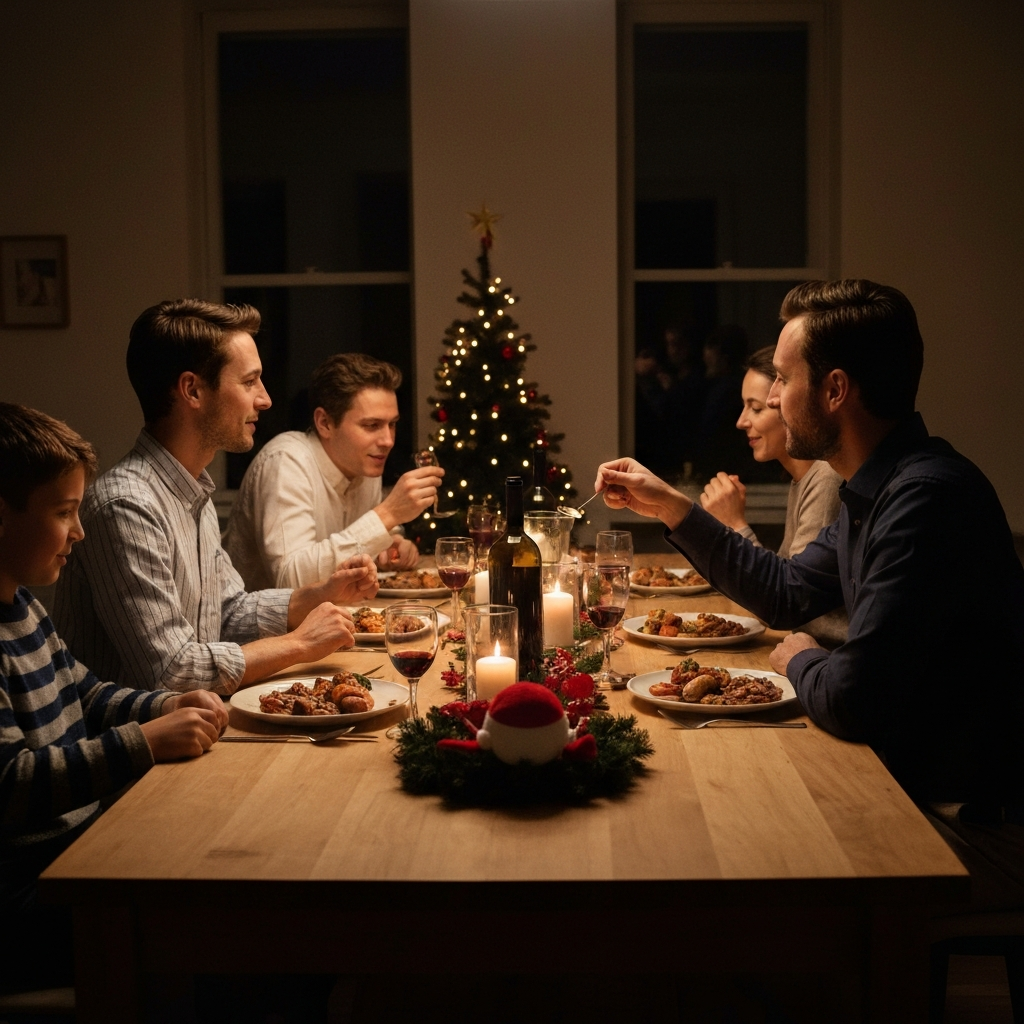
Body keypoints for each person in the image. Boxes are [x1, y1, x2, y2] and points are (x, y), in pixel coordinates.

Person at [596, 280, 1024, 820]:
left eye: (781, 377)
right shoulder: (876, 486)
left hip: (959, 818)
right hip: (905, 783)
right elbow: (786, 591)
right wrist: (670, 507)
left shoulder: (924, 500)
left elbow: (852, 700)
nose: (772, 397)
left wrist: (801, 659)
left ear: (835, 390)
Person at [0, 404, 229, 993]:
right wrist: (143, 742)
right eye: (64, 512)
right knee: (207, 915)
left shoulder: (22, 606)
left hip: (78, 847)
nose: (79, 531)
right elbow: (11, 783)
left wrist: (162, 708)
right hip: (26, 894)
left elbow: (87, 692)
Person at [54, 299, 378, 695]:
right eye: (249, 382)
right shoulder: (125, 506)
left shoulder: (194, 492)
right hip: (139, 748)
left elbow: (225, 613)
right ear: (192, 390)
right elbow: (172, 671)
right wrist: (300, 644)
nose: (265, 399)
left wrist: (317, 596)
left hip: (195, 731)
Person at [224, 352, 442, 590]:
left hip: (335, 617)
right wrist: (388, 514)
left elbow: (361, 539)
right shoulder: (286, 461)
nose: (388, 440)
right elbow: (291, 580)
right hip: (261, 626)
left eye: (392, 424)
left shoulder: (363, 461)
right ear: (325, 423)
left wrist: (392, 543)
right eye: (372, 426)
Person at [700, 345, 847, 646]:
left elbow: (782, 603)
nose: (741, 421)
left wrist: (734, 524)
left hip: (823, 664)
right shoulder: (801, 478)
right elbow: (780, 580)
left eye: (756, 408)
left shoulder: (826, 478)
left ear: (789, 404)